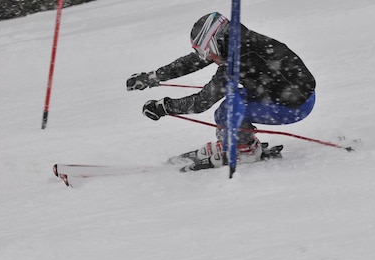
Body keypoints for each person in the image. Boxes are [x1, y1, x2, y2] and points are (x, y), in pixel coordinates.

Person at [126, 12, 316, 170]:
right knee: (232, 105)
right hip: (285, 94)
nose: (205, 57)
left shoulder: (239, 59)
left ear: (216, 42)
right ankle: (242, 143)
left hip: (294, 105)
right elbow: (193, 62)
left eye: (205, 51)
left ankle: (243, 151)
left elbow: (202, 101)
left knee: (227, 110)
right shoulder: (235, 43)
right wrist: (153, 77)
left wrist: (165, 107)